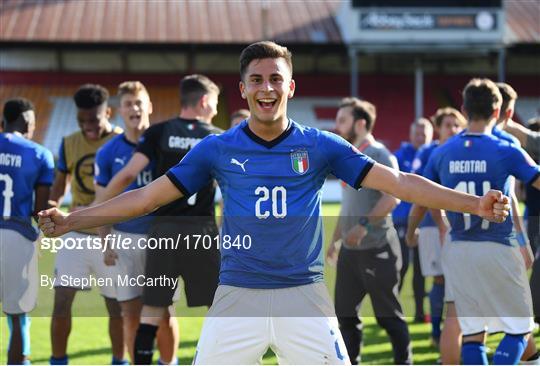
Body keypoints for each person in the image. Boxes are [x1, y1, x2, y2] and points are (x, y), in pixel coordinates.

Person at [38, 42, 511, 365]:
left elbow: (401, 182)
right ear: (242, 90)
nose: (266, 88)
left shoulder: (321, 145)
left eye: (275, 79)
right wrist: (73, 219)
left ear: (291, 87)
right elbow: (145, 198)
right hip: (237, 296)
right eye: (256, 80)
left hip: (303, 297)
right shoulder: (216, 148)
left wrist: (473, 205)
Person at [92, 74, 222, 364]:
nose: (214, 109)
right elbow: (229, 192)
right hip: (201, 230)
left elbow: (127, 175)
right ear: (203, 101)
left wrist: (98, 209)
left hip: (163, 231)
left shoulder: (158, 132)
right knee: (219, 308)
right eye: (214, 103)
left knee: (151, 312)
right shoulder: (217, 137)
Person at [422, 78, 540, 365]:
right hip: (498, 246)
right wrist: (523, 241)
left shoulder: (442, 151)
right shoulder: (505, 148)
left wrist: (418, 229)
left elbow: (423, 195)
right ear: (497, 111)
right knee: (520, 328)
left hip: (458, 247)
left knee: (474, 332)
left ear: (463, 108)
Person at [95, 81, 179, 365]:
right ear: (120, 111)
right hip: (123, 240)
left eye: (140, 102)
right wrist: (105, 240)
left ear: (150, 107)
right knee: (129, 313)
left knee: (163, 313)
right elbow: (102, 203)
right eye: (129, 104)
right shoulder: (107, 153)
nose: (135, 108)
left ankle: (170, 362)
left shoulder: (167, 145)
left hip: (161, 240)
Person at [47, 84, 126, 365]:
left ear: (109, 112)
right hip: (76, 235)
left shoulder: (124, 140)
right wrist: (51, 209)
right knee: (61, 302)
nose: (87, 126)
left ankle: (120, 360)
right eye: (81, 121)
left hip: (114, 237)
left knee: (116, 307)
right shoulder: (69, 142)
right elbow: (57, 191)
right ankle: (58, 360)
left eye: (93, 119)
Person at [329, 97, 411, 364]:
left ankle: (404, 362)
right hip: (350, 254)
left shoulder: (379, 155)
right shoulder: (347, 158)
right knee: (345, 315)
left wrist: (363, 227)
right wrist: (334, 241)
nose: (337, 126)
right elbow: (347, 206)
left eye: (343, 120)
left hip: (377, 249)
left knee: (388, 317)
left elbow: (392, 198)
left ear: (360, 123)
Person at [405, 107, 466, 363]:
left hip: (463, 229)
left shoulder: (464, 151)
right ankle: (436, 331)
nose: (451, 129)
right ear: (438, 128)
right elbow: (422, 191)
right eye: (446, 124)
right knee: (440, 280)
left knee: (461, 283)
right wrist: (439, 223)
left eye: (455, 125)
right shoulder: (430, 152)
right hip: (432, 226)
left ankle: (459, 334)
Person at [0, 98, 54, 364]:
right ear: (26, 122)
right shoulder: (39, 153)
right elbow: (40, 210)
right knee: (18, 314)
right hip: (16, 235)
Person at [392, 118, 433, 321]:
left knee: (421, 270)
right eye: (417, 133)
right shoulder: (399, 156)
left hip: (426, 223)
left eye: (424, 133)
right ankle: (393, 312)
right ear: (411, 134)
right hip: (401, 221)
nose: (421, 136)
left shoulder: (435, 155)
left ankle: (419, 313)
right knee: (401, 266)